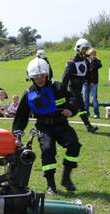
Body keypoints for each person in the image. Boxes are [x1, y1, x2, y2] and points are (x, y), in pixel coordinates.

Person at [13, 58, 81, 195]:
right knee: (48, 151)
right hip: (43, 128)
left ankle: (66, 178)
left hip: (62, 124)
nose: (39, 79)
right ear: (31, 77)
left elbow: (73, 99)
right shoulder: (28, 94)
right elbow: (21, 117)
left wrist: (70, 109)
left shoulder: (58, 87)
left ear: (47, 74)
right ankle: (51, 185)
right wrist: (17, 136)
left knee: (74, 145)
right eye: (35, 76)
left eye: (42, 75)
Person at [62, 38, 98, 133]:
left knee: (75, 108)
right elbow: (65, 77)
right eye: (84, 49)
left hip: (79, 88)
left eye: (86, 49)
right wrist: (62, 90)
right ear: (79, 49)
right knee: (80, 107)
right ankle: (89, 126)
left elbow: (86, 73)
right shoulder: (72, 62)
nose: (86, 51)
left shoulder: (85, 60)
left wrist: (89, 81)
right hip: (72, 89)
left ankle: (60, 122)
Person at [82, 48, 102, 118]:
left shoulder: (97, 61)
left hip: (94, 83)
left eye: (93, 54)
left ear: (95, 55)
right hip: (86, 83)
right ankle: (86, 113)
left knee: (94, 99)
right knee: (85, 99)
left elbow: (99, 65)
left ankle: (96, 113)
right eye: (90, 54)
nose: (92, 55)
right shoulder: (85, 61)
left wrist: (94, 59)